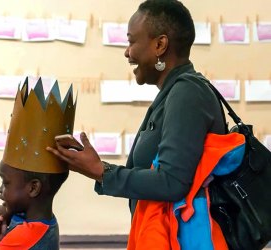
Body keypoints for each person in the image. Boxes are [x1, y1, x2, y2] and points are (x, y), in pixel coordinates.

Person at [47, 0, 245, 249]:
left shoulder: (187, 93)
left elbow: (172, 182)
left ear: (160, 45)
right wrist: (98, 167)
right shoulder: (175, 92)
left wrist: (101, 171)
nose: (127, 52)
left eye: (131, 41)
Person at [0, 78, 77, 250]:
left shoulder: (25, 237)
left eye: (6, 183)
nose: (0, 190)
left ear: (33, 188)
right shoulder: (44, 223)